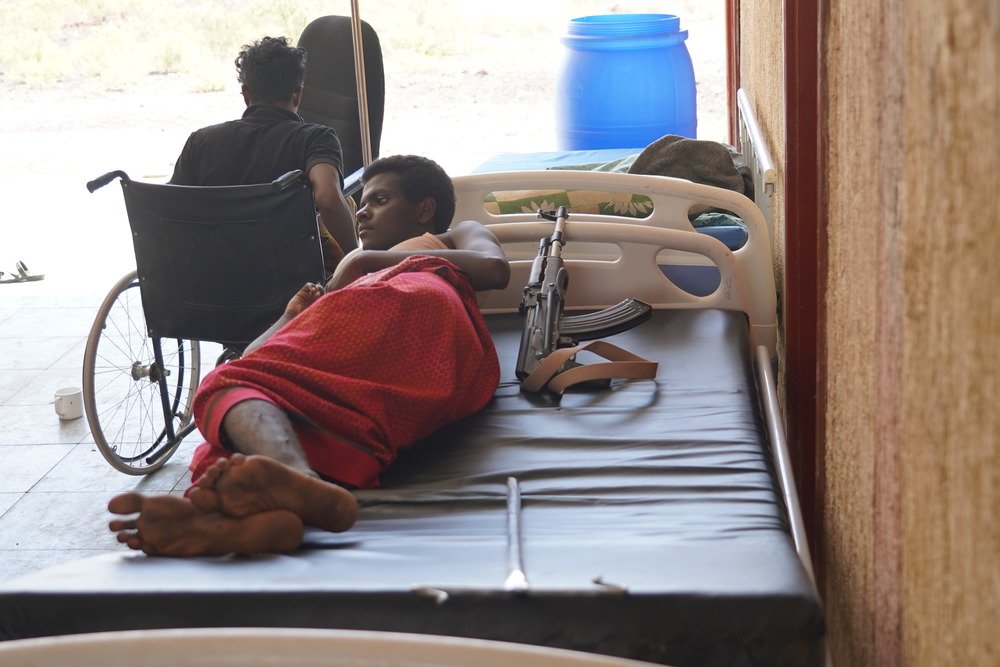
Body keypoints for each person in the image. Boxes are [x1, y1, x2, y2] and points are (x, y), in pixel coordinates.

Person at [108, 155, 510, 557]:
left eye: (380, 200)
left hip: (417, 301)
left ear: (424, 210)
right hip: (428, 376)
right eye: (361, 204)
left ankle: (289, 482)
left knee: (223, 385)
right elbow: (253, 362)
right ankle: (260, 518)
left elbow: (495, 269)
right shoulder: (349, 282)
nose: (362, 212)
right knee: (240, 441)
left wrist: (365, 260)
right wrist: (291, 315)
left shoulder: (450, 237)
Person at [169, 36, 357, 273]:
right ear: (297, 93)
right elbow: (328, 198)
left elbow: (170, 207)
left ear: (246, 93)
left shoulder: (200, 141)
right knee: (347, 201)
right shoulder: (315, 138)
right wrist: (356, 256)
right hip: (291, 279)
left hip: (212, 276)